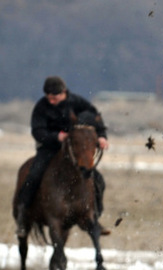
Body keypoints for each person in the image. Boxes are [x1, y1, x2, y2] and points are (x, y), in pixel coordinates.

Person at [14, 76, 109, 238]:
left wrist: (101, 136)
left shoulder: (78, 103)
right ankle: (23, 215)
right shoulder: (41, 107)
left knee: (98, 180)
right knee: (33, 175)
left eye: (54, 97)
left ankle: (95, 217)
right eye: (48, 98)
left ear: (63, 92)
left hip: (74, 151)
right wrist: (55, 137)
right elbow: (37, 131)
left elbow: (95, 119)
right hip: (49, 149)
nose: (51, 101)